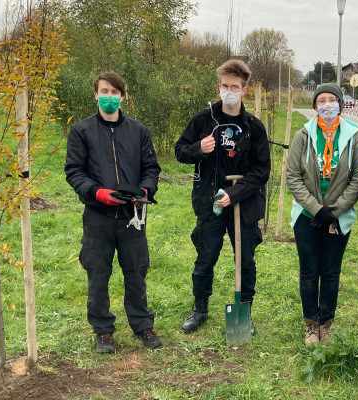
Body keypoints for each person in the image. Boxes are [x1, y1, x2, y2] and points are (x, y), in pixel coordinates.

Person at [65, 71, 162, 352]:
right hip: (98, 216)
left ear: (123, 96)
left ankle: (142, 324)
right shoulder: (81, 131)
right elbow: (74, 170)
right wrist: (96, 192)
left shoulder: (139, 131)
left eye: (115, 93)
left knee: (136, 271)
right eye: (104, 92)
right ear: (96, 94)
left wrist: (144, 191)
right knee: (97, 273)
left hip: (133, 215)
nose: (109, 97)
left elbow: (151, 168)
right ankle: (103, 330)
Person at [174, 59, 271, 334]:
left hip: (244, 205)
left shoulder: (253, 127)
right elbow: (180, 151)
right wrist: (198, 148)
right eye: (225, 86)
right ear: (219, 87)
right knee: (205, 256)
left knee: (245, 260)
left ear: (244, 90)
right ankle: (200, 308)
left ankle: (245, 313)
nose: (229, 91)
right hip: (210, 202)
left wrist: (234, 194)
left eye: (235, 87)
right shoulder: (204, 121)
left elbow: (261, 170)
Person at [285, 83, 358, 345]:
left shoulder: (353, 135)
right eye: (322, 100)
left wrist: (336, 210)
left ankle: (326, 324)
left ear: (340, 104)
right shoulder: (303, 135)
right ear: (315, 106)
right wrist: (316, 209)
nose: (328, 104)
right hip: (306, 216)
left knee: (331, 272)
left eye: (333, 99)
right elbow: (293, 176)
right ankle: (311, 324)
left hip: (338, 216)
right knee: (309, 271)